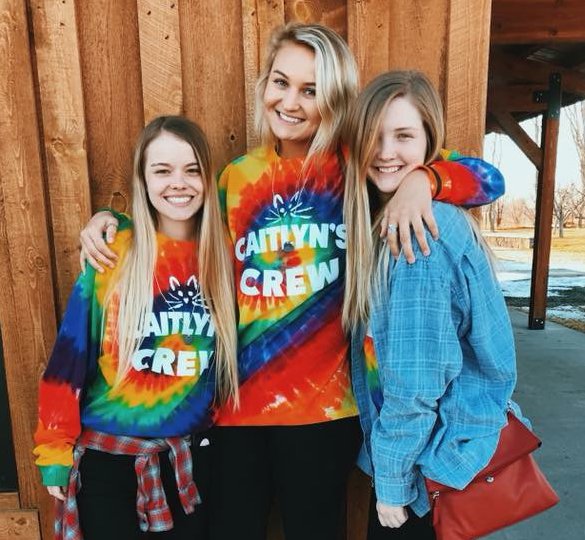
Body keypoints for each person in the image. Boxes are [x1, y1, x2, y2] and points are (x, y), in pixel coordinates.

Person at [76, 24, 504, 540]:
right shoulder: (235, 178)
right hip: (235, 413)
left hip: (325, 414)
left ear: (335, 99)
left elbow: (488, 179)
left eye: (311, 89)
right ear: (264, 86)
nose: (292, 101)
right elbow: (174, 221)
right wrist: (110, 223)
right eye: (281, 82)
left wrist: (425, 179)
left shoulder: (359, 169)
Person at [33, 116, 238, 540]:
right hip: (109, 465)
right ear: (143, 180)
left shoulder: (223, 256)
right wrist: (53, 450)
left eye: (192, 169)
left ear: (207, 176)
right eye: (162, 170)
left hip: (189, 465)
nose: (177, 183)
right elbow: (68, 359)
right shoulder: (115, 253)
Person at [343, 70, 523, 539]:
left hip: (427, 463)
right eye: (374, 137)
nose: (385, 152)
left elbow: (414, 380)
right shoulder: (397, 217)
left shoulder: (416, 235)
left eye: (403, 136)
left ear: (429, 144)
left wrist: (392, 482)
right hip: (436, 449)